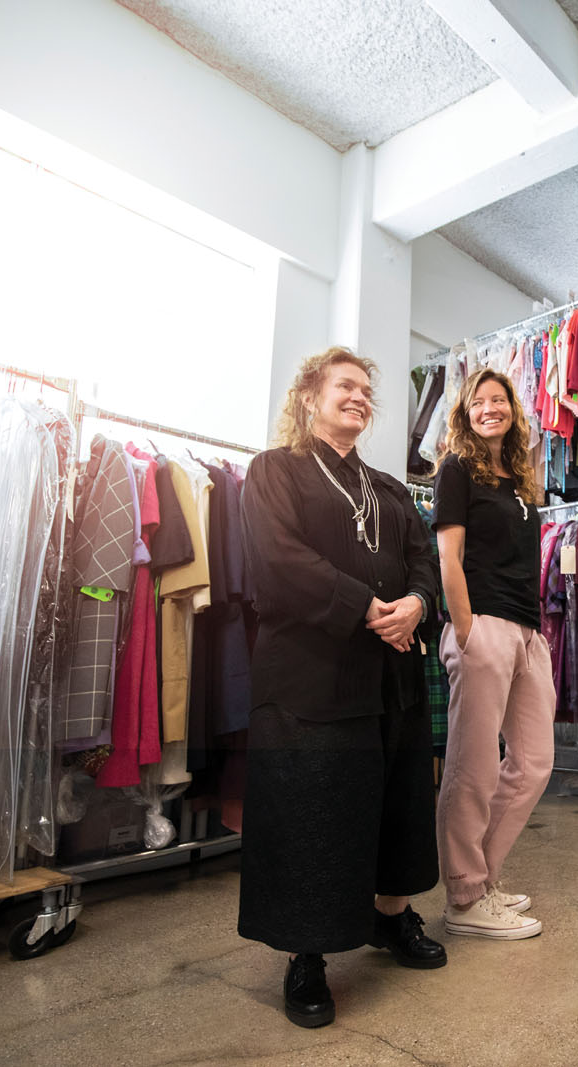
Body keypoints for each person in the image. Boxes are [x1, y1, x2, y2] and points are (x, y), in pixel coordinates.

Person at [239, 348, 445, 1029]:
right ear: (309, 397)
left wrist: (415, 602)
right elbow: (278, 559)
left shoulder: (387, 487)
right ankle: (308, 955)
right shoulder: (274, 471)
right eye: (344, 386)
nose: (358, 397)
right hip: (311, 679)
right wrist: (364, 605)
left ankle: (390, 918)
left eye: (365, 390)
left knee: (393, 801)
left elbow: (423, 560)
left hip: (390, 674)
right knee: (314, 815)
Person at [433, 368, 555, 940]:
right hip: (481, 625)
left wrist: (532, 633)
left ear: (512, 409)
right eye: (479, 402)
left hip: (527, 632)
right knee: (473, 765)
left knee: (532, 763)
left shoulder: (521, 481)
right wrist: (464, 629)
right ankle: (463, 894)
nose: (489, 409)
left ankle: (483, 882)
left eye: (499, 400)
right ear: (465, 411)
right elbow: (448, 557)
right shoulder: (456, 469)